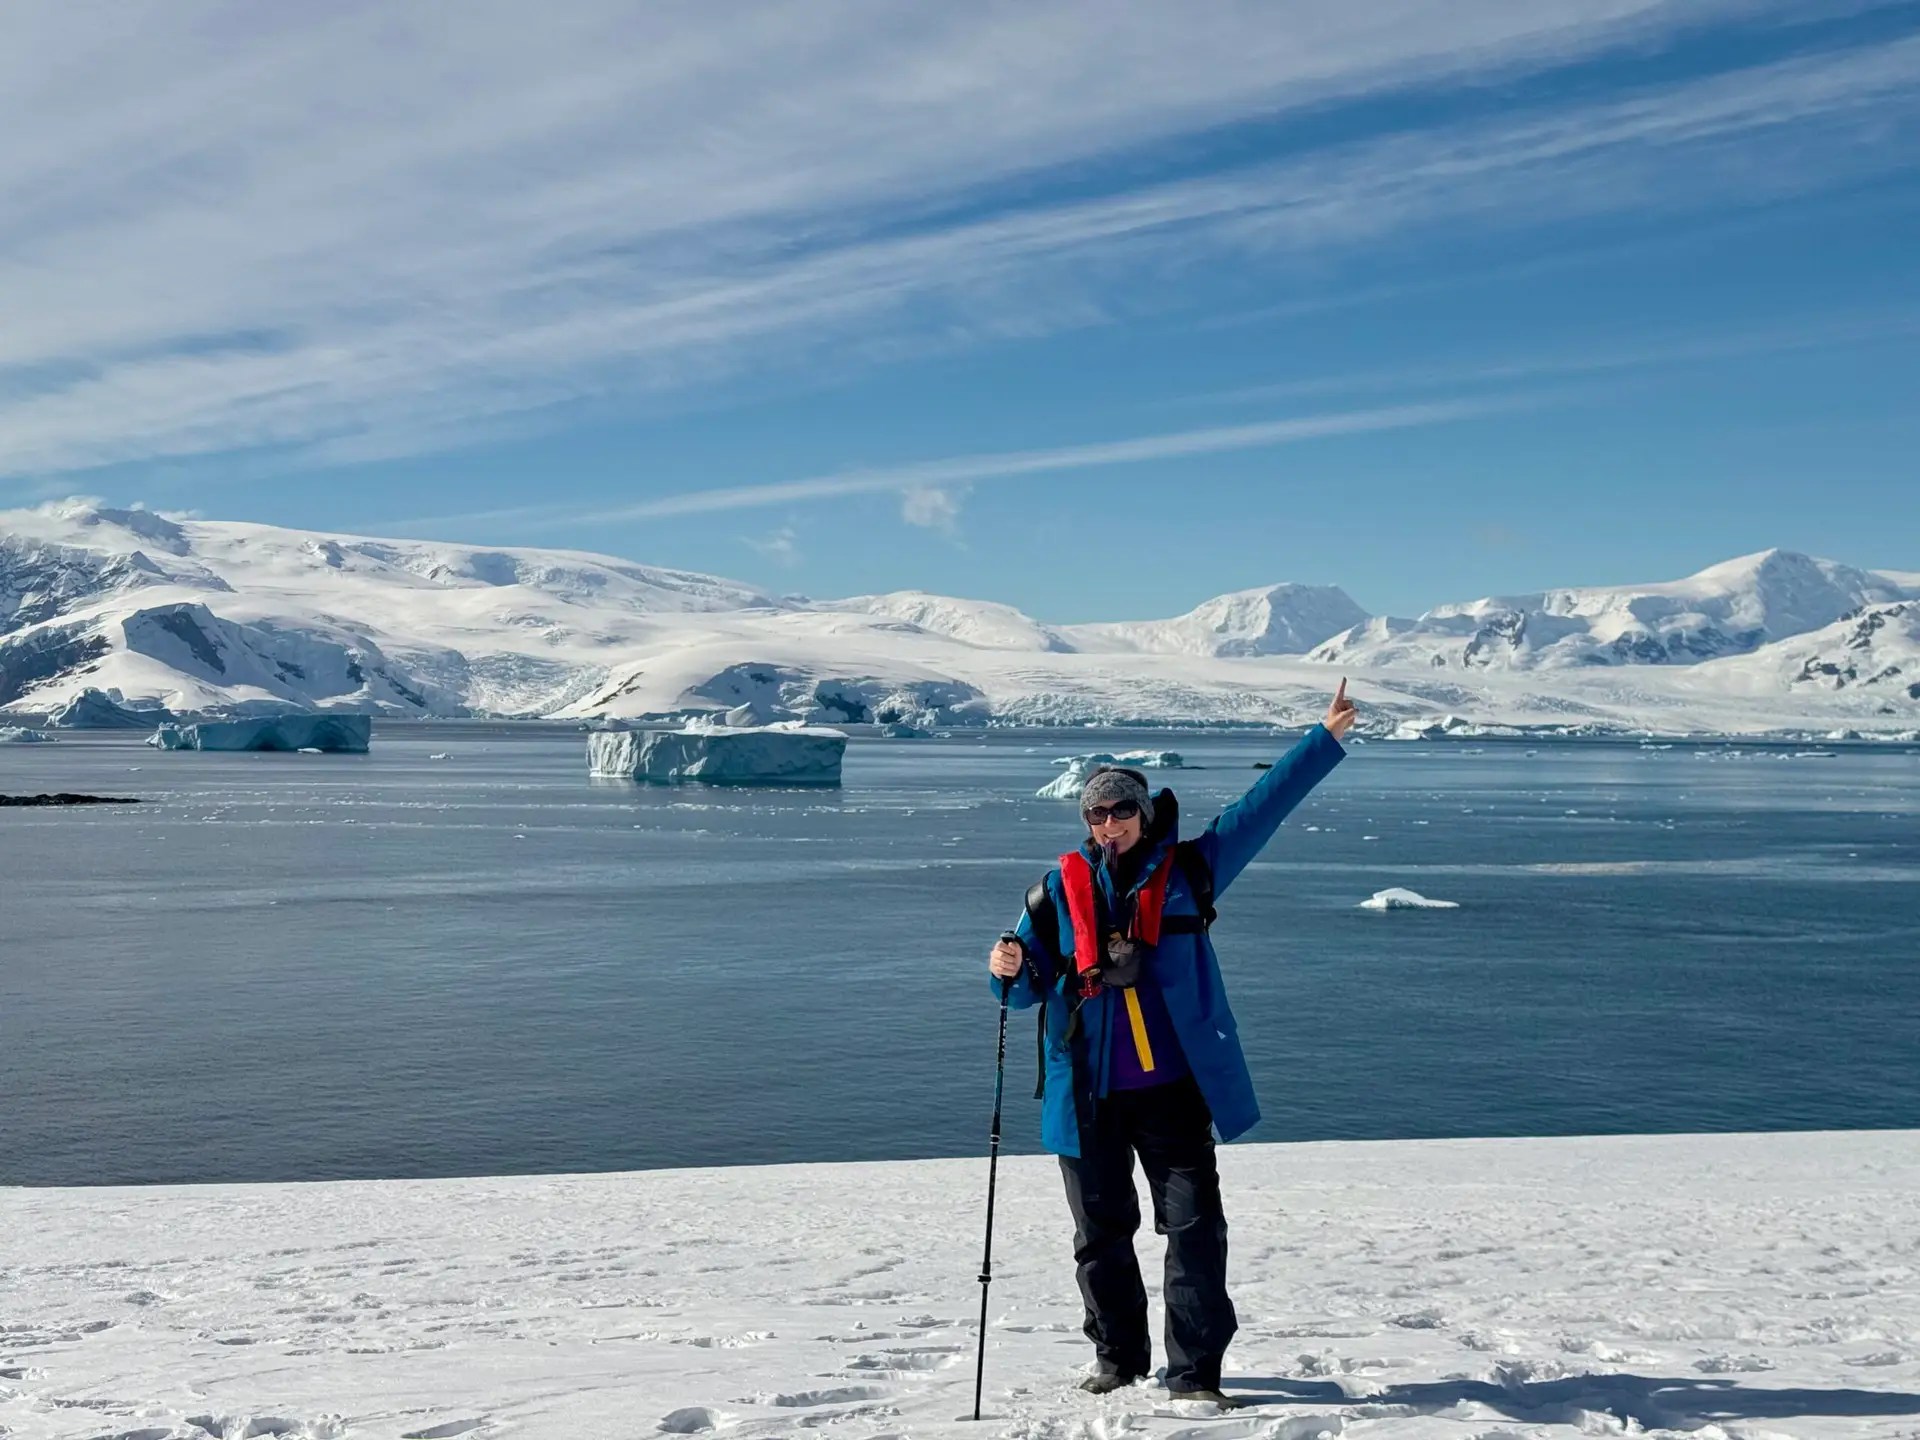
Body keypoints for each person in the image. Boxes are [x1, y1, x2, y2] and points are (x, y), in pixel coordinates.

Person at [987, 680, 1359, 1406]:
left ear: (1145, 812)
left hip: (1173, 1090)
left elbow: (1263, 810)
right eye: (1097, 812)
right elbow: (1022, 985)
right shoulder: (1054, 894)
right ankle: (1118, 1359)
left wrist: (1325, 740)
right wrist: (1003, 967)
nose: (1110, 823)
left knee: (1194, 1230)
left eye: (1123, 809)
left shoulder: (1191, 869)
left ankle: (1194, 1375)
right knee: (1100, 1237)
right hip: (1086, 1093)